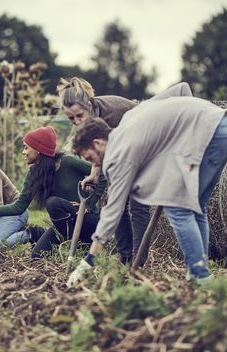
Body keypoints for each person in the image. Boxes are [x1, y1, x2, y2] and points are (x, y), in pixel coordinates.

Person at [67, 82, 227, 286]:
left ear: (98, 143)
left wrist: (89, 260)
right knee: (196, 207)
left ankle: (200, 275)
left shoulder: (120, 152)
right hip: (224, 124)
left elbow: (113, 210)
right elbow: (180, 90)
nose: (94, 164)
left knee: (178, 207)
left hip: (211, 133)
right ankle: (198, 271)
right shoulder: (127, 124)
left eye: (91, 158)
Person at [0, 127, 107, 258]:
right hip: (64, 226)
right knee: (37, 254)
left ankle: (80, 244)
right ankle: (42, 234)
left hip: (88, 220)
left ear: (39, 150)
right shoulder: (34, 174)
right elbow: (18, 207)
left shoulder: (68, 163)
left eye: (26, 147)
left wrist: (89, 204)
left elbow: (102, 175)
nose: (23, 152)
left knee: (53, 203)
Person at [57, 77, 151, 265]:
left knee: (136, 204)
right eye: (71, 118)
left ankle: (139, 260)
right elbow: (97, 149)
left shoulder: (111, 117)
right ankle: (125, 256)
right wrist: (94, 174)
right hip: (124, 149)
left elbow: (112, 150)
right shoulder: (90, 121)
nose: (76, 122)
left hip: (144, 142)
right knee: (118, 203)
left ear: (89, 106)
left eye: (79, 116)